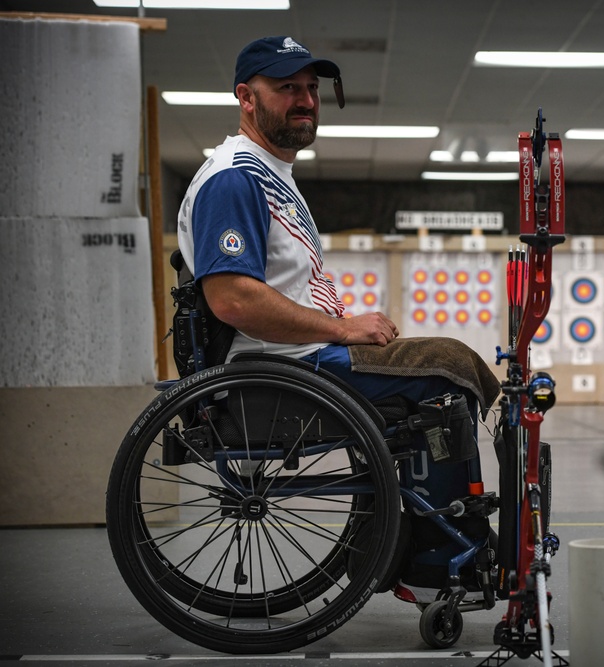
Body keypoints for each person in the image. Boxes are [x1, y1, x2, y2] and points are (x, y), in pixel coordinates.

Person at [176, 37, 499, 597]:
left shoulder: (270, 174)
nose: (305, 100)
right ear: (245, 99)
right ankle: (439, 559)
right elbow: (232, 299)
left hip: (299, 363)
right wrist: (344, 328)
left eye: (311, 89)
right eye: (286, 89)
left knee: (445, 364)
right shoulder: (235, 177)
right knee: (446, 369)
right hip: (285, 374)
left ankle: (430, 533)